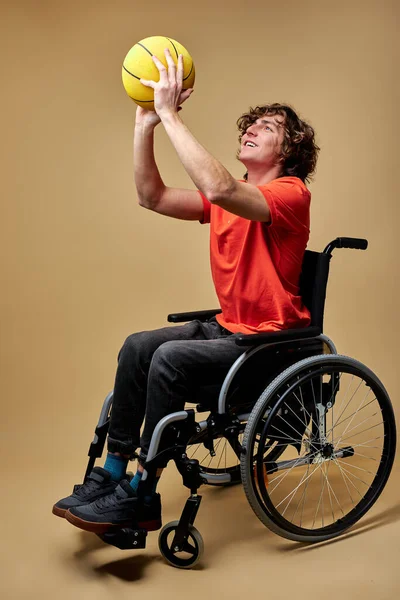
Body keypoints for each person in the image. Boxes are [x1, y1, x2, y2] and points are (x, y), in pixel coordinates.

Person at [53, 49, 320, 534]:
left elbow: (219, 190)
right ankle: (112, 472)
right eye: (251, 123)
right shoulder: (230, 194)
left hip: (268, 345)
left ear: (289, 149)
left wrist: (173, 114)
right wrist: (146, 124)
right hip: (229, 330)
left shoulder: (290, 193)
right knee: (139, 346)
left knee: (170, 357)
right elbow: (151, 196)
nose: (252, 128)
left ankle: (141, 492)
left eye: (269, 126)